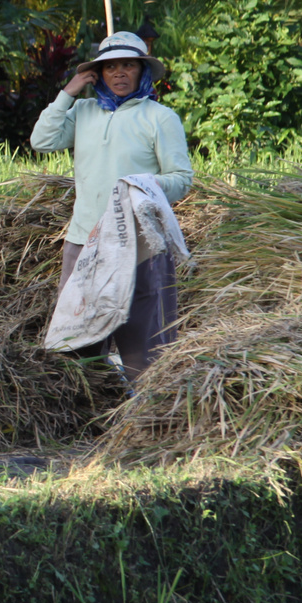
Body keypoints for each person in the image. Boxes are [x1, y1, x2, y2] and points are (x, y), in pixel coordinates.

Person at [29, 31, 193, 377]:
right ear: (97, 75)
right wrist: (68, 93)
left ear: (141, 72)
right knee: (76, 347)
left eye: (128, 66)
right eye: (110, 67)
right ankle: (86, 414)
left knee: (145, 348)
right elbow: (42, 141)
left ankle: (145, 418)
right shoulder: (84, 112)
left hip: (140, 247)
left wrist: (141, 184)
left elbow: (181, 178)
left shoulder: (160, 118)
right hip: (83, 242)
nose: (120, 73)